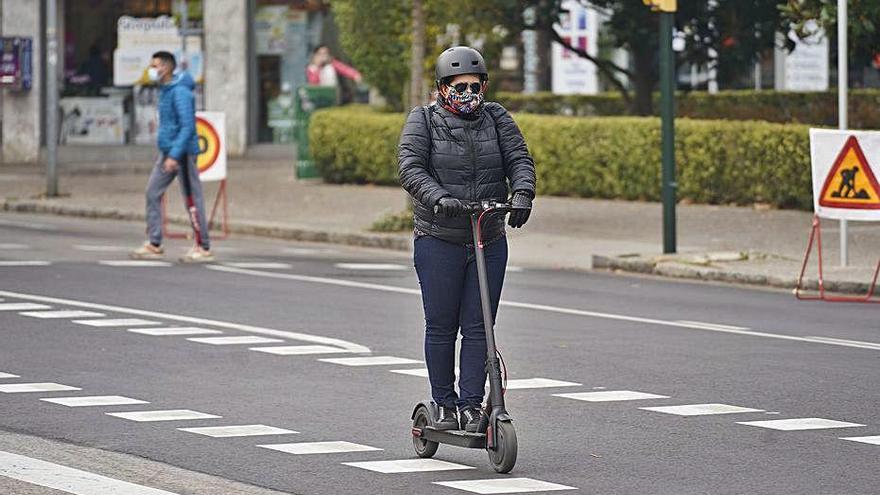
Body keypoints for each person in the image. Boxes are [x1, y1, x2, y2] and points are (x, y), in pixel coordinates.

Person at [397, 46, 536, 432]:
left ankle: (473, 405)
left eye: (475, 86)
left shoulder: (497, 118)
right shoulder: (423, 120)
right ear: (442, 88)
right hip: (439, 237)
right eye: (459, 87)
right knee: (442, 324)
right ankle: (444, 403)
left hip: (488, 237)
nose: (468, 93)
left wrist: (523, 193)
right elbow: (410, 168)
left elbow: (519, 159)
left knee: (480, 326)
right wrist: (440, 198)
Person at [130, 51, 213, 263]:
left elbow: (187, 127)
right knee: (152, 192)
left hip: (182, 153)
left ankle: (203, 246)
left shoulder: (180, 92)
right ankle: (154, 242)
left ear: (166, 68)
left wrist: (175, 155)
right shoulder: (165, 90)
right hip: (168, 152)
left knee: (192, 199)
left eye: (155, 66)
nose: (152, 70)